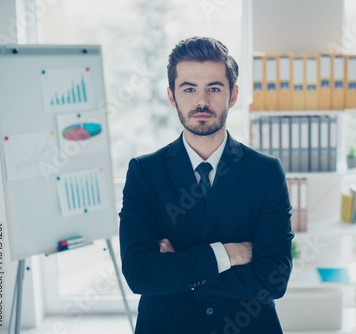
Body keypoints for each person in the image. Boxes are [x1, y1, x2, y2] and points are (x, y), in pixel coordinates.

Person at [119, 36, 293, 334]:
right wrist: (230, 255)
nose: (201, 101)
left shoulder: (265, 171)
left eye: (214, 88)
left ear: (233, 95)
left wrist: (179, 270)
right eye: (189, 89)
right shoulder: (144, 172)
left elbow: (274, 278)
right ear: (172, 96)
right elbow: (141, 275)